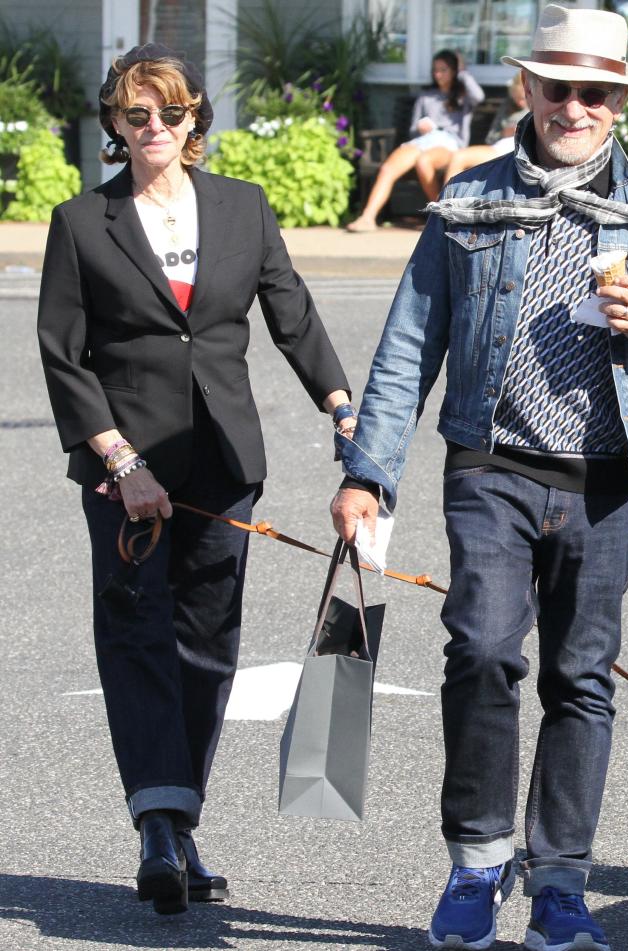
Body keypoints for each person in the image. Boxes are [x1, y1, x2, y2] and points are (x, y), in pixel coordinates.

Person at [331, 4, 628, 950]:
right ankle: (476, 863)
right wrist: (367, 474)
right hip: (490, 464)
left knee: (581, 677)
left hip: (605, 481)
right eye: (559, 88)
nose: (575, 106)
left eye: (595, 92)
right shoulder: (469, 199)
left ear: (619, 104)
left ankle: (558, 883)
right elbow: (404, 350)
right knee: (479, 652)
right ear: (527, 90)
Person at [37, 44, 354, 916]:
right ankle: (158, 822)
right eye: (137, 116)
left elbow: (291, 311)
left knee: (208, 646)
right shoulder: (79, 222)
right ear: (114, 122)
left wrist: (342, 403)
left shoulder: (241, 209)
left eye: (170, 114)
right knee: (137, 634)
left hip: (223, 459)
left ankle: (179, 820)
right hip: (124, 472)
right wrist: (120, 459)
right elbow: (63, 359)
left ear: (194, 122)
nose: (154, 130)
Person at [346, 49, 484, 232]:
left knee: (423, 161)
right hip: (423, 140)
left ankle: (442, 215)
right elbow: (413, 129)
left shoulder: (463, 97)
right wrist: (420, 127)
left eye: (443, 70)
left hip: (448, 142)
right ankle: (367, 217)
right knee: (388, 168)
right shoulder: (426, 96)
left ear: (453, 71)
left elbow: (479, 96)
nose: (438, 74)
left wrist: (462, 71)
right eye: (435, 70)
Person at [443, 71, 528, 182]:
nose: (520, 102)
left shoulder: (539, 108)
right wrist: (504, 133)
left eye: (523, 98)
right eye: (517, 98)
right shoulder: (507, 106)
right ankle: (444, 198)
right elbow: (490, 138)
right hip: (500, 148)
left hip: (519, 152)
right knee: (458, 156)